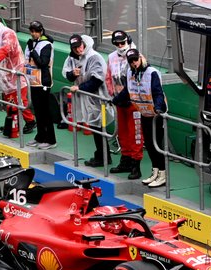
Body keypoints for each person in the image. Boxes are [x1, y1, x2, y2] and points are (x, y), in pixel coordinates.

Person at [112, 49, 168, 186]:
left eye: (135, 60)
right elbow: (127, 90)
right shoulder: (131, 72)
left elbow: (158, 92)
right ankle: (155, 172)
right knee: (148, 144)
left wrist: (159, 107)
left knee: (157, 145)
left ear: (141, 58)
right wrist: (115, 100)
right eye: (131, 61)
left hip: (156, 114)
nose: (134, 63)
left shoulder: (152, 73)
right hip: (144, 113)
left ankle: (163, 174)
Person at [64, 33, 111, 169]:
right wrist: (73, 74)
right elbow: (67, 74)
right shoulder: (73, 58)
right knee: (95, 127)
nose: (78, 50)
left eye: (80, 46)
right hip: (87, 98)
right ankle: (101, 154)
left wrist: (79, 87)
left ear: (83, 43)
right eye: (75, 48)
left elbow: (97, 80)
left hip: (98, 98)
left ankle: (104, 156)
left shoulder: (94, 57)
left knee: (99, 127)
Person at [0, 16, 35, 138]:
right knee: (9, 100)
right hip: (4, 74)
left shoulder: (8, 33)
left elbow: (5, 49)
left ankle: (30, 121)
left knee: (19, 100)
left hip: (17, 70)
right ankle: (11, 122)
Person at [105, 30, 143, 177]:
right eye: (117, 43)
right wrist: (112, 94)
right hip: (119, 102)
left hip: (135, 103)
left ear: (128, 40)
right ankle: (125, 160)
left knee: (136, 134)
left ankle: (136, 165)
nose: (120, 45)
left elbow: (138, 79)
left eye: (123, 42)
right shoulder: (111, 57)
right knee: (122, 133)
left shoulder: (136, 56)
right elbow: (108, 77)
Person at [23, 20, 57, 148]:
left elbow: (43, 63)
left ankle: (51, 139)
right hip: (32, 81)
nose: (33, 34)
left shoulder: (46, 45)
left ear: (41, 31)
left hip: (43, 82)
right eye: (32, 31)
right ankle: (40, 136)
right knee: (37, 110)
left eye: (36, 31)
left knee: (45, 111)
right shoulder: (31, 43)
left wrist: (33, 51)